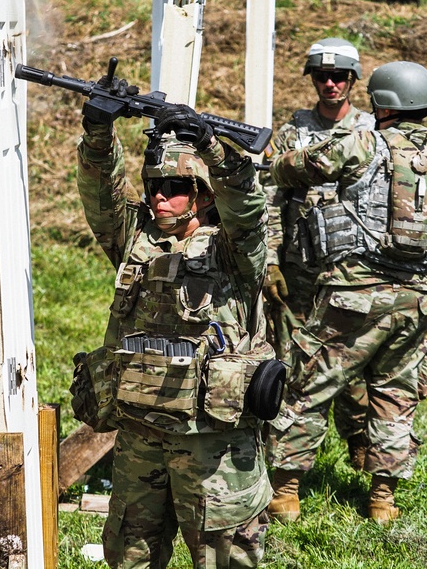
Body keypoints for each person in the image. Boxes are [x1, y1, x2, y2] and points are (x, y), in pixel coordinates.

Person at [72, 91, 278, 568]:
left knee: (225, 557)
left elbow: (247, 208)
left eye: (174, 186)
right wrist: (98, 134)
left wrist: (213, 146)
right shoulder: (137, 240)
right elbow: (100, 198)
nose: (160, 196)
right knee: (129, 553)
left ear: (204, 195)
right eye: (154, 186)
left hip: (211, 441)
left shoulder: (234, 251)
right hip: (141, 432)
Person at [264, 61, 427, 524]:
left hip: (355, 292)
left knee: (306, 387)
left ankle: (286, 495)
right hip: (417, 299)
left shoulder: (365, 141)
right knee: (395, 398)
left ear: (381, 103)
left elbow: (305, 166)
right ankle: (382, 503)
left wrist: (276, 164)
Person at [262, 37, 375, 491]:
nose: (330, 84)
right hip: (302, 270)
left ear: (353, 81)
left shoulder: (371, 130)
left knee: (356, 362)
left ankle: (362, 443)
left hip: (356, 268)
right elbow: (271, 198)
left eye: (339, 77)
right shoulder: (293, 133)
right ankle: (288, 461)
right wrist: (271, 261)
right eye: (321, 77)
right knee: (296, 362)